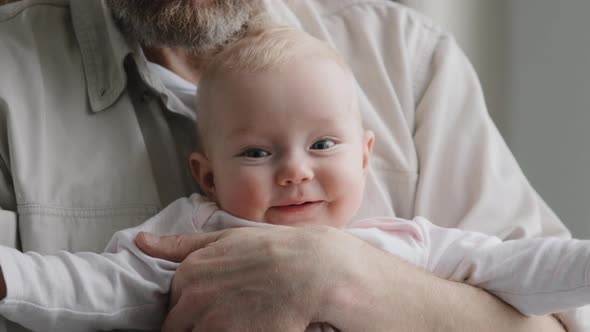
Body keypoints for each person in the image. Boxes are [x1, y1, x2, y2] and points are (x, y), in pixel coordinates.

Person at [0, 0, 586, 331]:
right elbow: (96, 285)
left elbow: (530, 276)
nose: (295, 173)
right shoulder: (193, 231)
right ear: (207, 176)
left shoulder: (406, 235)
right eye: (256, 153)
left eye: (324, 147)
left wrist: (339, 278)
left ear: (365, 154)